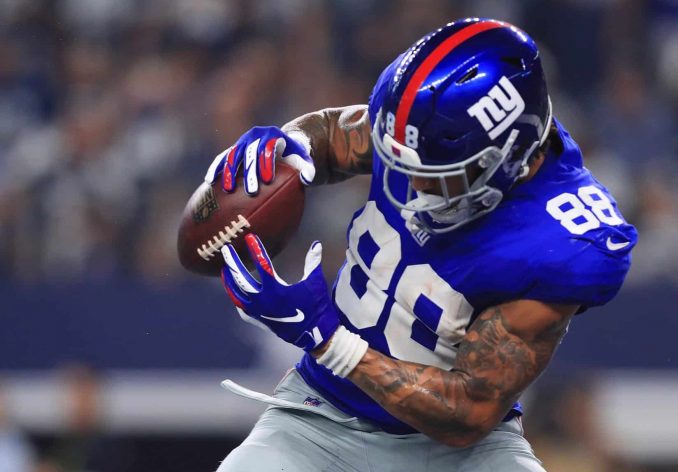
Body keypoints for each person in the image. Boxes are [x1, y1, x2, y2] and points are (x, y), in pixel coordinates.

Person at [203, 18, 637, 472]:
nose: (413, 182)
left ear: (507, 158)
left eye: (439, 173)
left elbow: (469, 411)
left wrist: (328, 339)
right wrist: (290, 145)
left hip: (463, 452)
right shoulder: (423, 135)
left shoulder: (564, 241)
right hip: (320, 416)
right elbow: (335, 136)